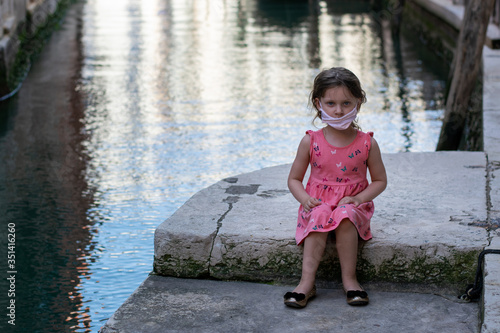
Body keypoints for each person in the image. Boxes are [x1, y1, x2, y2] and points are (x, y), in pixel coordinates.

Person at [283, 67, 387, 308]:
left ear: (358, 104)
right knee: (319, 214)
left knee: (346, 215)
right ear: (319, 104)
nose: (339, 110)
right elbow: (294, 179)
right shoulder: (311, 141)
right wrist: (305, 199)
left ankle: (350, 280)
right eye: (331, 103)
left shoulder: (367, 143)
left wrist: (359, 199)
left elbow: (380, 181)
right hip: (318, 204)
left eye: (346, 103)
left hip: (352, 206)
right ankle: (306, 283)